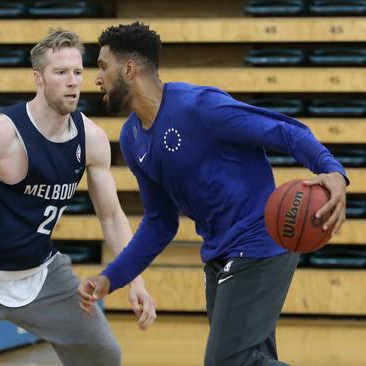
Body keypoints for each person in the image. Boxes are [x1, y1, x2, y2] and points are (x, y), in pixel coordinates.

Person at [79, 22, 349, 366]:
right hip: (218, 254)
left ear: (130, 69)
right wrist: (110, 278)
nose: (97, 77)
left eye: (103, 66)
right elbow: (161, 222)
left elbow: (285, 132)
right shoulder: (133, 140)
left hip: (259, 243)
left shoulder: (199, 106)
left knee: (227, 362)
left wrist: (332, 171)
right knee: (250, 359)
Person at [0, 29, 156, 366]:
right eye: (60, 72)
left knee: (103, 355)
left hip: (42, 274)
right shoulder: (1, 131)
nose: (72, 82)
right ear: (38, 78)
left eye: (78, 72)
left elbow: (111, 217)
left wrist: (134, 278)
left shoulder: (90, 138)